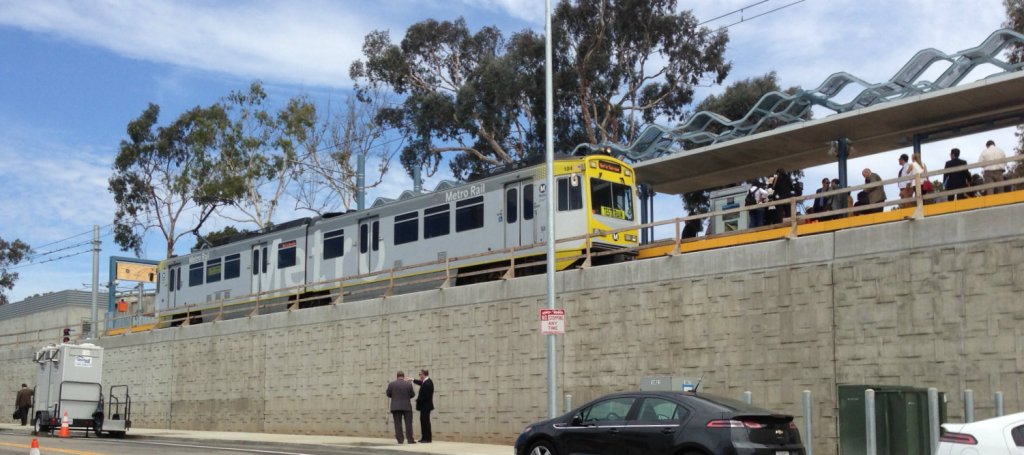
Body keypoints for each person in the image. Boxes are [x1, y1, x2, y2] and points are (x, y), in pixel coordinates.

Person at [386, 371, 415, 444]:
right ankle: (410, 439)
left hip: (395, 406)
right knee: (408, 423)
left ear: (397, 376)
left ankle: (400, 440)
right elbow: (412, 394)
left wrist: (395, 397)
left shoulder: (391, 384)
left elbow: (388, 394)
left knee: (397, 423)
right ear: (403, 376)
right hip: (407, 406)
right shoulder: (408, 384)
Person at [412, 369, 434, 443]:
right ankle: (424, 437)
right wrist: (413, 380)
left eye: (420, 374)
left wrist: (418, 399)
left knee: (425, 422)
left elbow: (426, 396)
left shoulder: (428, 383)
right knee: (424, 422)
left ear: (424, 374)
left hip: (426, 406)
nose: (419, 376)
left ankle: (427, 439)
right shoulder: (426, 382)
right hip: (425, 406)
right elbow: (421, 383)